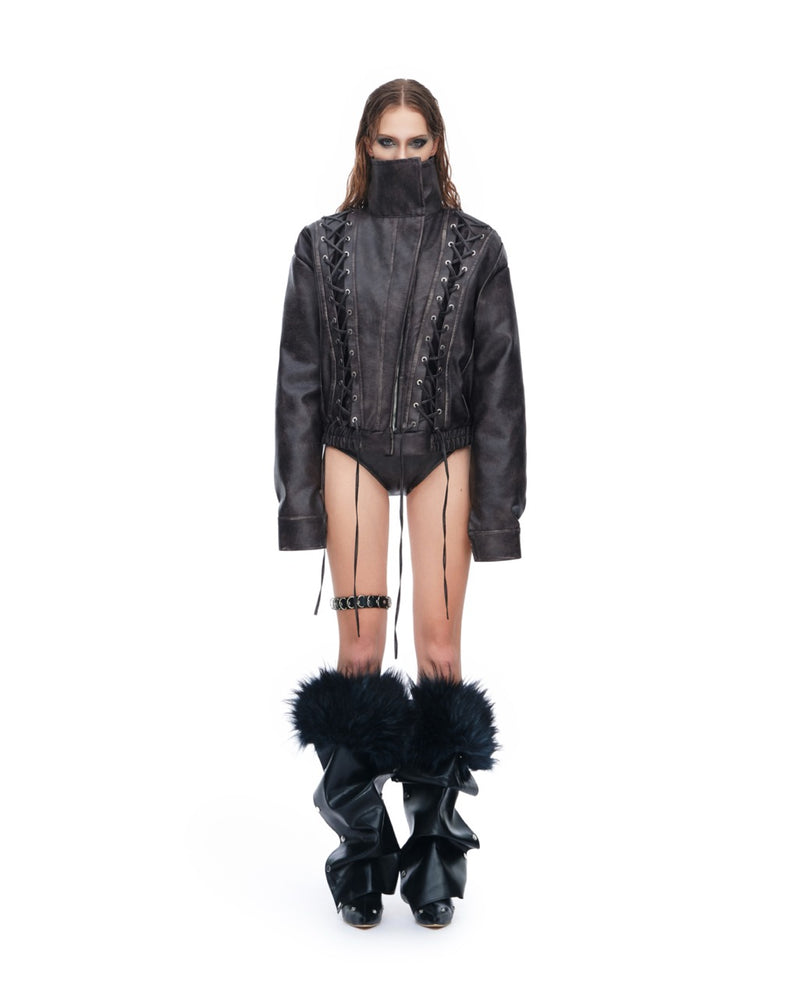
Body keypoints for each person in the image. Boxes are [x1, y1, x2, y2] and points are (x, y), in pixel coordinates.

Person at [277, 79, 526, 929]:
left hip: (443, 449)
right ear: (364, 146)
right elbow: (299, 378)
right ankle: (360, 852)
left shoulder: (478, 246)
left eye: (416, 142)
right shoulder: (322, 244)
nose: (402, 155)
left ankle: (433, 860)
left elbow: (500, 387)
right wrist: (299, 503)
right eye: (387, 142)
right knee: (357, 643)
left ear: (439, 145)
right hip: (348, 446)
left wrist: (499, 514)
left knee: (439, 645)